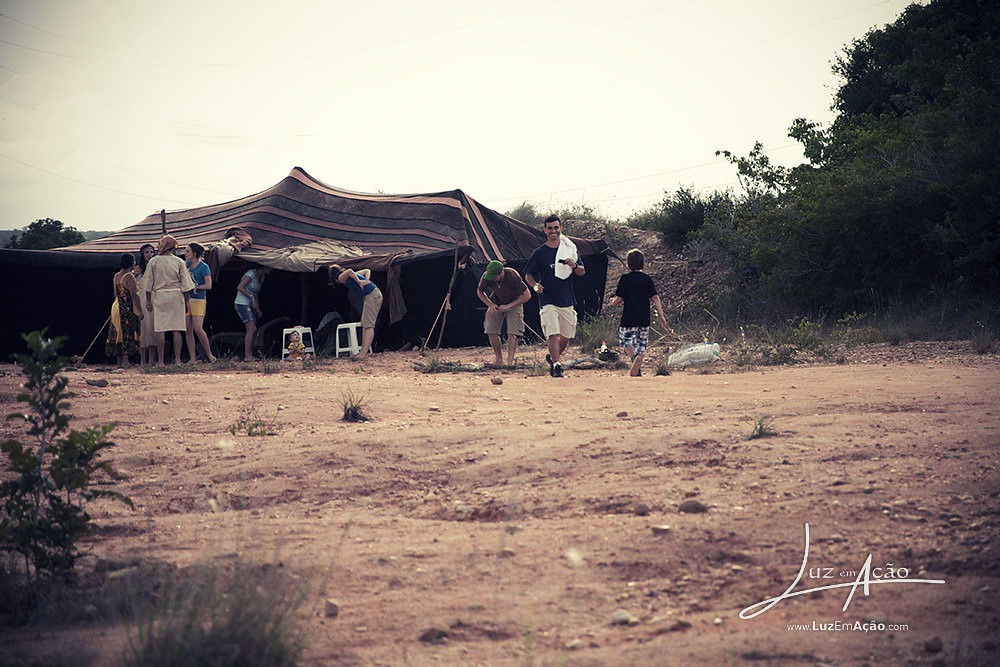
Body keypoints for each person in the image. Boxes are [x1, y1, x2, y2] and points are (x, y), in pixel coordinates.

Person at [524, 215, 585, 378]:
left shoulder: (569, 248)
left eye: (556, 228)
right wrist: (535, 285)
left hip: (566, 298)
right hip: (547, 298)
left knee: (566, 336)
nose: (553, 231)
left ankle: (552, 358)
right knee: (553, 332)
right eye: (550, 228)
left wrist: (574, 265)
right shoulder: (540, 253)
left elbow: (581, 271)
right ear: (545, 230)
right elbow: (528, 275)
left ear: (561, 229)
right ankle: (557, 366)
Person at [608, 249, 668, 377]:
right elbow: (655, 297)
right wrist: (661, 315)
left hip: (629, 317)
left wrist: (611, 303)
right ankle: (638, 361)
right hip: (644, 317)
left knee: (625, 341)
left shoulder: (625, 279)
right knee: (641, 343)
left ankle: (635, 358)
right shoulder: (647, 279)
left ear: (629, 263)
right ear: (643, 263)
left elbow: (618, 299)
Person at [143, 235, 196, 366]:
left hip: (160, 296)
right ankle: (177, 360)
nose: (158, 246)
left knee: (160, 329)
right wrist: (187, 302)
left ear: (165, 245)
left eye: (160, 243)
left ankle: (160, 361)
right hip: (176, 296)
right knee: (176, 330)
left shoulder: (154, 261)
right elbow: (186, 285)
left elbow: (148, 284)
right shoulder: (179, 262)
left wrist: (148, 300)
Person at [477, 260, 531, 367]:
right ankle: (499, 359)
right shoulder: (487, 276)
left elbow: (527, 295)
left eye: (494, 276)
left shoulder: (512, 275)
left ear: (501, 273)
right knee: (491, 330)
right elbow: (480, 291)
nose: (492, 279)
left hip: (514, 303)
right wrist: (490, 304)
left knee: (512, 333)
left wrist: (508, 306)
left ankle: (510, 361)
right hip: (496, 303)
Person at [329, 264, 383, 361]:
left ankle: (363, 352)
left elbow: (349, 270)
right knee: (364, 324)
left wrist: (359, 282)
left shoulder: (341, 277)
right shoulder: (352, 275)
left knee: (369, 325)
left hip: (372, 296)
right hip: (370, 296)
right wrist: (366, 280)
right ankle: (362, 350)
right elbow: (367, 270)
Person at [104, 253, 143, 367]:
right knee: (126, 332)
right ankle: (126, 361)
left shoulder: (116, 275)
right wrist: (140, 310)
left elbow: (115, 293)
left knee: (117, 332)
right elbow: (134, 295)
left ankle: (119, 361)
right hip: (126, 306)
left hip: (116, 305)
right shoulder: (129, 277)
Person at [184, 242, 217, 364]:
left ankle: (209, 354)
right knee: (188, 330)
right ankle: (192, 358)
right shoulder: (186, 265)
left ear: (195, 253)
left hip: (198, 299)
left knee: (197, 328)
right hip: (187, 299)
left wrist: (197, 287)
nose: (186, 254)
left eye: (188, 251)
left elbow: (208, 285)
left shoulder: (204, 267)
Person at [234, 265, 271, 361]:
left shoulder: (261, 277)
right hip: (242, 303)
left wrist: (257, 307)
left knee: (252, 329)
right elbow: (240, 287)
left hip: (249, 305)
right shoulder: (251, 273)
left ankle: (249, 354)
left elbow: (256, 293)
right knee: (251, 328)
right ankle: (247, 355)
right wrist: (251, 297)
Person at [136, 244, 157, 366]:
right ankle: (143, 360)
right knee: (143, 328)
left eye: (151, 252)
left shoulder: (156, 267)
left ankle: (151, 359)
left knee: (153, 328)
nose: (150, 254)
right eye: (147, 252)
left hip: (154, 297)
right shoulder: (138, 270)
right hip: (143, 298)